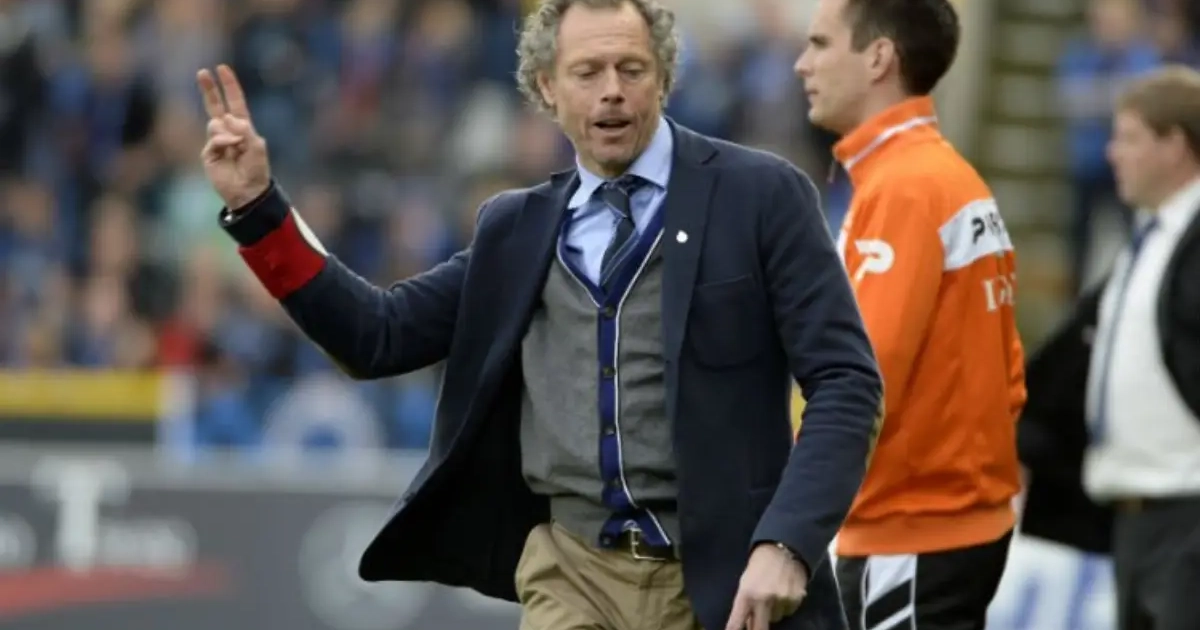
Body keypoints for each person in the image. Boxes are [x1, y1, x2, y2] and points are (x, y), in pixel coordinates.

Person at [197, 1, 885, 629]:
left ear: (663, 77)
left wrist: (787, 543)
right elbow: (377, 336)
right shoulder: (514, 229)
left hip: (727, 579)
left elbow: (846, 382)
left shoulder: (762, 195)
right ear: (547, 87)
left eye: (631, 69)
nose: (612, 89)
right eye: (587, 72)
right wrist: (259, 211)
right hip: (572, 576)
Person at [793, 0, 1026, 628]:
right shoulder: (943, 176)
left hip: (912, 528)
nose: (802, 64)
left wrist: (792, 509)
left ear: (878, 58)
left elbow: (860, 377)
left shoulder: (906, 188)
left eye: (820, 44)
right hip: (945, 522)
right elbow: (1009, 377)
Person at [1020, 66, 1200, 630]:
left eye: (1128, 138)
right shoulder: (1147, 240)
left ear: (1175, 145)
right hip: (1131, 517)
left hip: (1187, 516)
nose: (1112, 153)